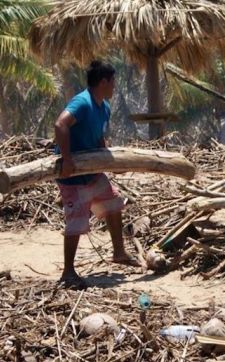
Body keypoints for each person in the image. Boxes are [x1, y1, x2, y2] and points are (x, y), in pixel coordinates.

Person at [54, 60, 136, 289]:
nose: (115, 87)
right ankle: (68, 273)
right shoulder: (82, 102)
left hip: (93, 171)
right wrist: (68, 159)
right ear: (103, 82)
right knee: (76, 221)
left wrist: (109, 160)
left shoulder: (104, 107)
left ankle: (119, 252)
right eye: (113, 82)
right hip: (73, 175)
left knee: (114, 203)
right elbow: (60, 125)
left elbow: (99, 138)